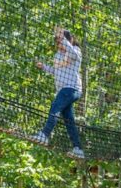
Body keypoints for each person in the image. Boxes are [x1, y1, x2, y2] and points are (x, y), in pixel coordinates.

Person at [30, 27, 85, 159]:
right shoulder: (58, 56)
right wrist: (44, 67)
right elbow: (56, 72)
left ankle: (45, 135)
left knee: (55, 108)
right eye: (58, 42)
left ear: (69, 40)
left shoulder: (75, 51)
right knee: (69, 120)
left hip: (71, 89)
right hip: (63, 90)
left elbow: (72, 52)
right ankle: (78, 148)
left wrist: (64, 38)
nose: (59, 44)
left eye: (61, 41)